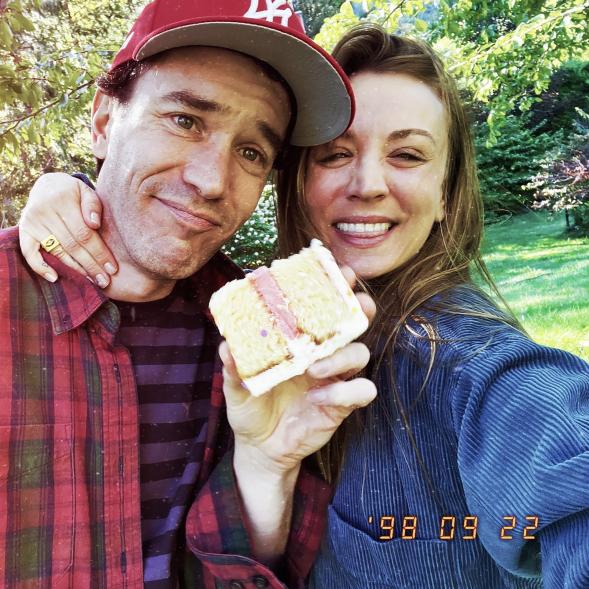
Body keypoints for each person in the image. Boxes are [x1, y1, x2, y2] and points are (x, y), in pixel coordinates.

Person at [20, 23, 589, 588]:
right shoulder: (246, 330)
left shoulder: (469, 362)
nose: (367, 184)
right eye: (336, 154)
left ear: (446, 192)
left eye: (410, 154)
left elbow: (562, 464)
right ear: (295, 184)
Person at [0, 2, 379, 588]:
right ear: (102, 123)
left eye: (252, 152)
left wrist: (266, 465)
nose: (211, 180)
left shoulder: (257, 342)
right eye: (184, 119)